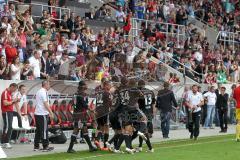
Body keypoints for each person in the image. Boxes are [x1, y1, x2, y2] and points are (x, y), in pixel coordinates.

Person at [67, 81, 97, 153]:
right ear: (82, 86)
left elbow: (72, 104)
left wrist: (75, 110)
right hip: (81, 116)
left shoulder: (75, 94)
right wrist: (91, 110)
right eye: (86, 85)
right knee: (77, 130)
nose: (87, 86)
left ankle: (90, 146)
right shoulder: (82, 95)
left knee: (84, 130)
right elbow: (85, 105)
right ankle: (70, 148)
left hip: (77, 115)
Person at [34, 80, 54, 152]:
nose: (50, 86)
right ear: (45, 85)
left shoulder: (39, 91)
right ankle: (45, 146)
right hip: (42, 114)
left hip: (37, 113)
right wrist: (51, 112)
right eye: (49, 85)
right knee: (44, 130)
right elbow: (45, 103)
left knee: (39, 131)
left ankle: (36, 146)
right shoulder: (44, 92)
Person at [137, 80, 155, 152]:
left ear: (139, 85)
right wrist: (153, 111)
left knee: (143, 130)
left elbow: (137, 104)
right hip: (149, 112)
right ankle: (141, 146)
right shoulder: (150, 91)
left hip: (142, 113)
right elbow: (153, 103)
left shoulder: (140, 92)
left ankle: (149, 148)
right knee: (144, 130)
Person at [94, 81, 112, 150]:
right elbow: (110, 103)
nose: (110, 87)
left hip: (98, 112)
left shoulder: (98, 93)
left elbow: (96, 102)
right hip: (105, 112)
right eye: (109, 85)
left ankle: (96, 140)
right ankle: (105, 146)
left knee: (100, 127)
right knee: (106, 128)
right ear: (106, 85)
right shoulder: (107, 93)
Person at [1, 83, 18, 149]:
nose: (14, 91)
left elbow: (9, 102)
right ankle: (6, 142)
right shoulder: (5, 92)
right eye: (14, 89)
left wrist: (14, 101)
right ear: (11, 87)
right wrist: (13, 100)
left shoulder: (9, 93)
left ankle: (3, 142)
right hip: (7, 112)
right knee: (8, 127)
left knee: (8, 127)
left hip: (9, 112)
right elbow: (5, 103)